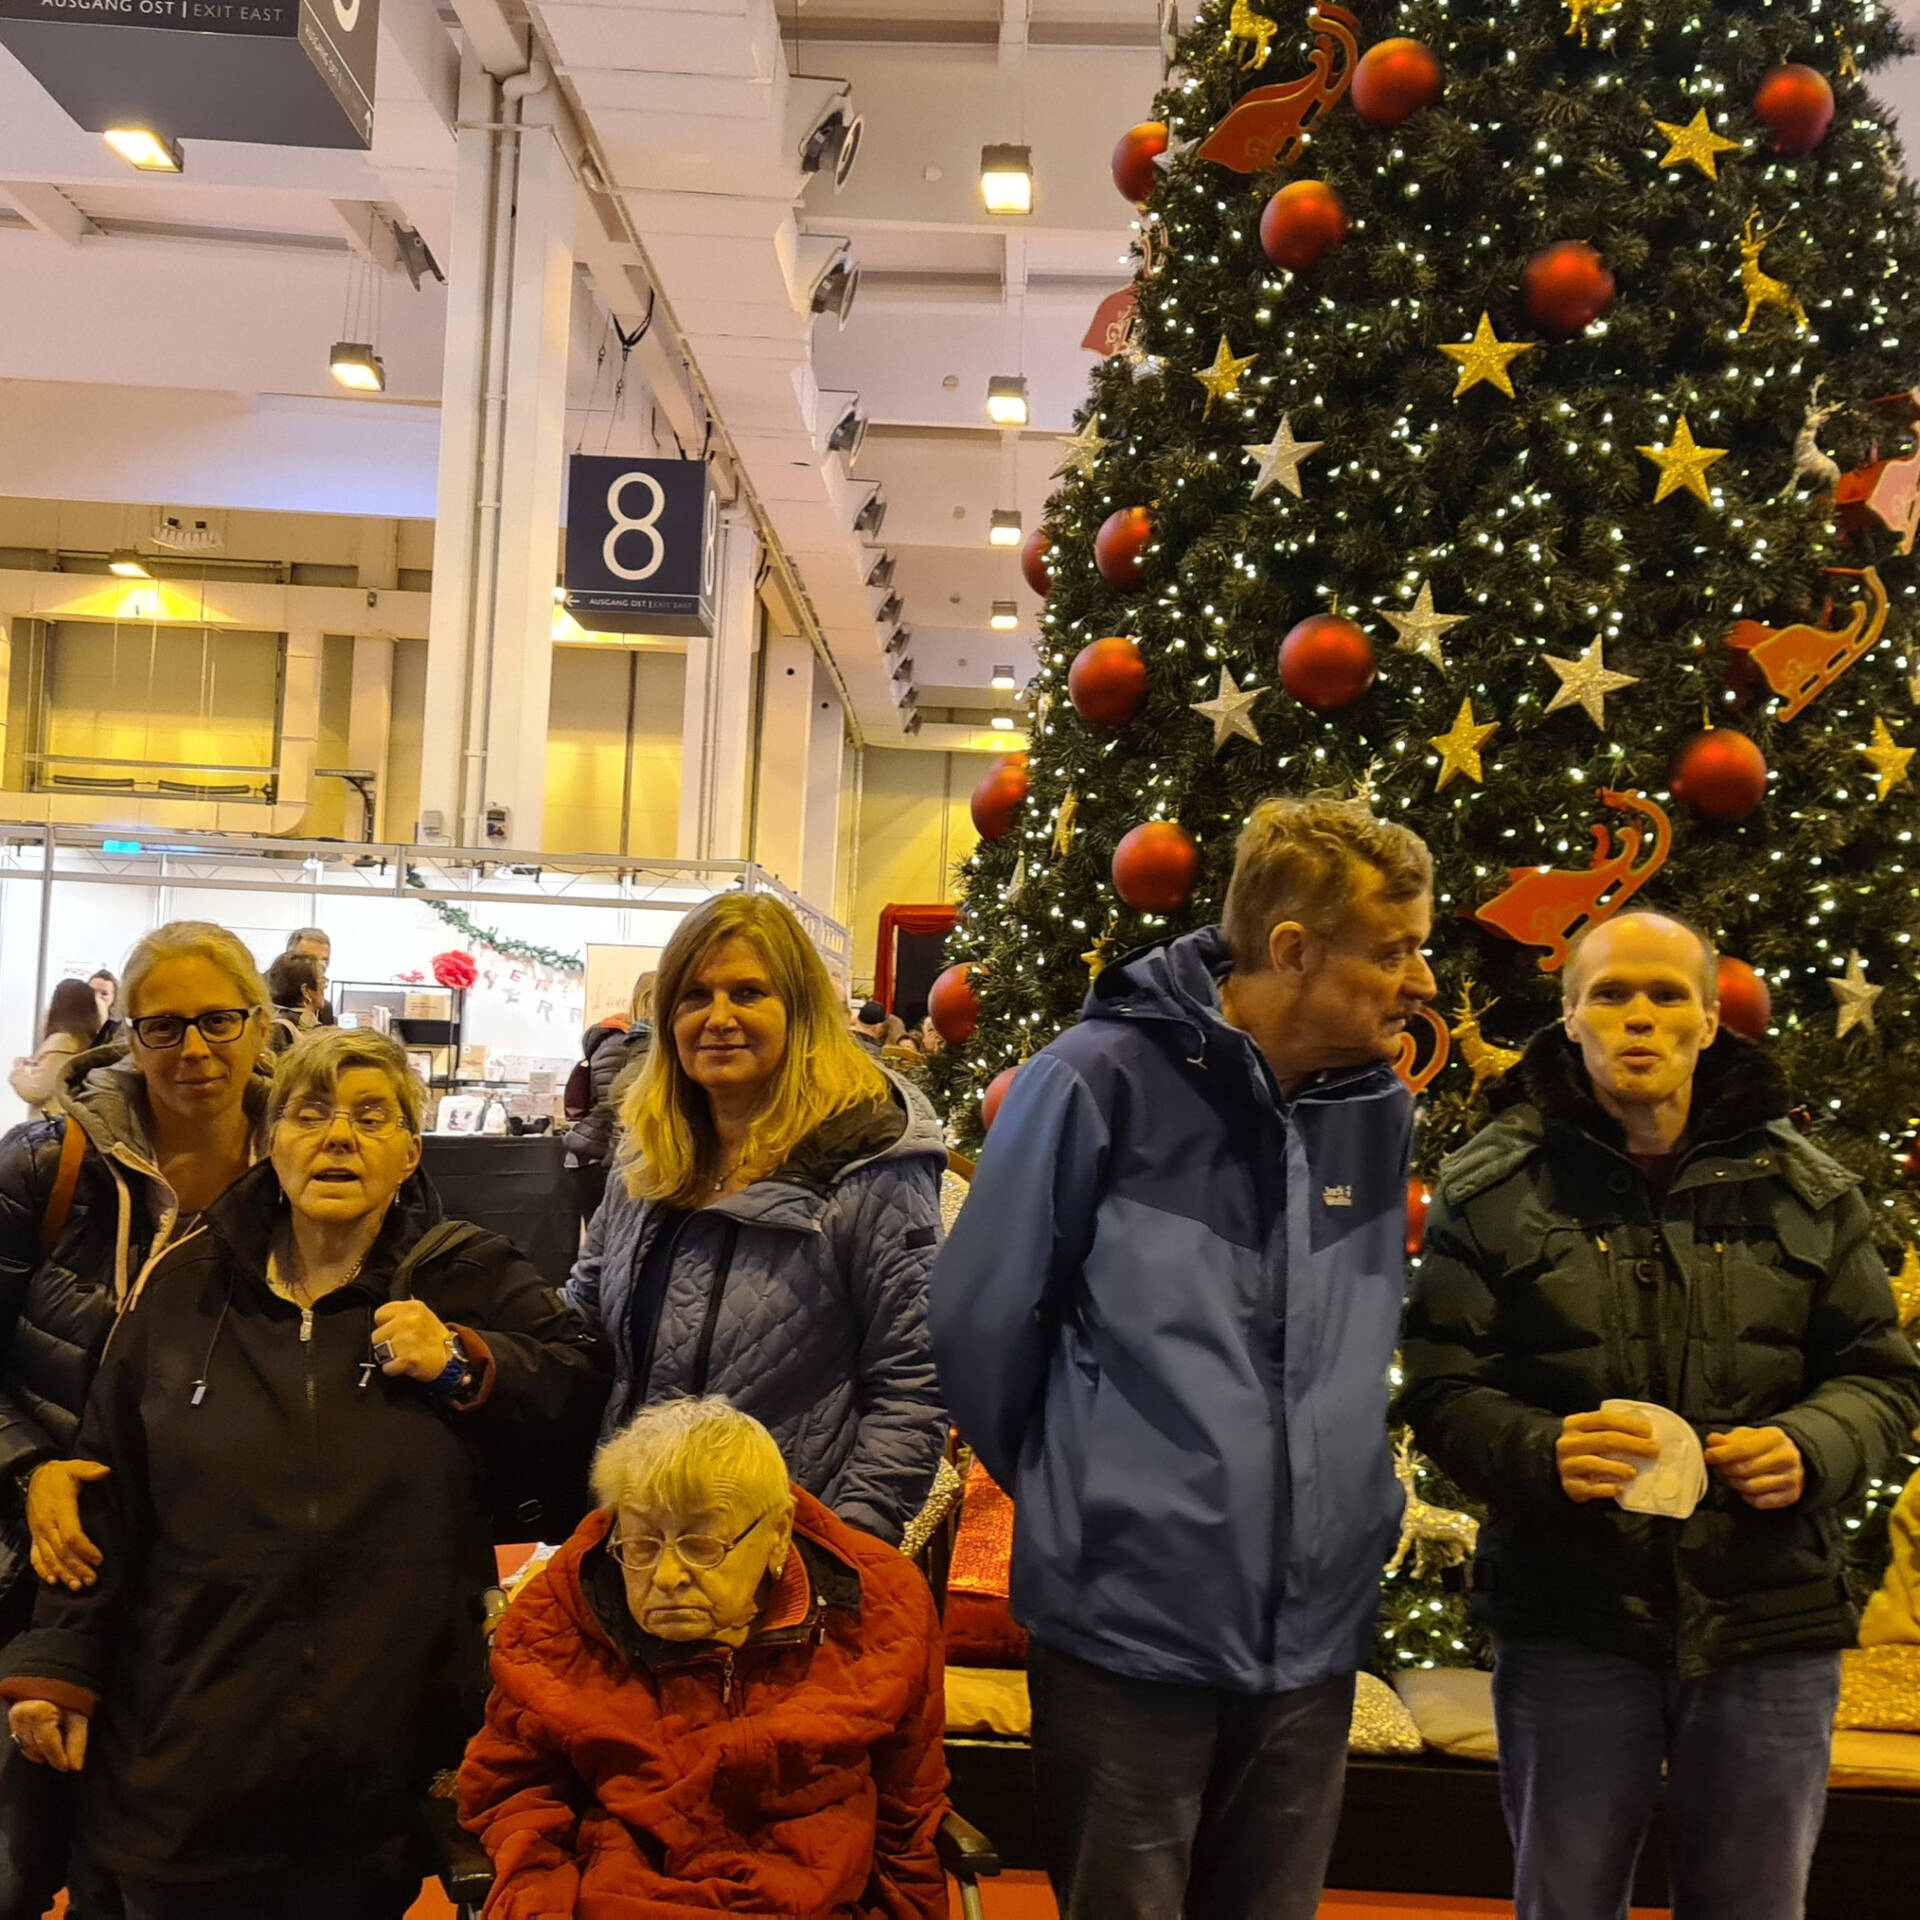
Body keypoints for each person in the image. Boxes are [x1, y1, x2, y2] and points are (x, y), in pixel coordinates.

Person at [932, 793, 1437, 1920]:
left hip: (1311, 1636)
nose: (1423, 983)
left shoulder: (1376, 1107)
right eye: (1395, 951)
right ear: (1295, 950)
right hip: (1129, 1630)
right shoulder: (1093, 1079)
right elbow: (976, 1324)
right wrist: (1093, 1494)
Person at [0, 1027, 608, 1920]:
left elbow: (579, 1393)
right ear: (272, 1142)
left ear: (410, 1150)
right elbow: (108, 1483)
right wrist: (58, 1661)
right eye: (310, 1113)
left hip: (382, 1752)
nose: (338, 1136)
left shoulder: (465, 1272)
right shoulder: (186, 1285)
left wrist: (467, 1360)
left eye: (372, 1117)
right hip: (185, 1740)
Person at [1399, 911, 1920, 1920]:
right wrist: (1543, 1450)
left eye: (1667, 995)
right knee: (1566, 1899)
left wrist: (1811, 1448)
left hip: (1769, 1620)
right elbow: (1440, 1386)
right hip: (1570, 1619)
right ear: (1569, 1016)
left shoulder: (1810, 1191)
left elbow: (1883, 1382)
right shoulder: (1491, 1190)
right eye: (1611, 994)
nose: (1640, 1017)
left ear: (1712, 1020)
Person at [0, 920, 276, 1920]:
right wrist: (33, 1472)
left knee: (165, 1874)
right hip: (48, 1566)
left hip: (217, 1589)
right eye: (166, 1027)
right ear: (129, 1032)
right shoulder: (45, 1165)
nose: (195, 1051)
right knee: (20, 1860)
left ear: (260, 1024)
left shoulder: (312, 1169)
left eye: (219, 1021)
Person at [458, 1396, 948, 1918]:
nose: (667, 1577)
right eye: (643, 1545)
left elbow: (908, 1811)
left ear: (778, 1533)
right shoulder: (553, 1619)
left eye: (700, 1545)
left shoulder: (880, 1606)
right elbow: (513, 1791)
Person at [567, 894, 946, 1549]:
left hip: (789, 1558)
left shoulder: (869, 1163)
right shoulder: (645, 1154)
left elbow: (913, 1383)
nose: (718, 1019)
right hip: (640, 1549)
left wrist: (848, 1547)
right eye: (694, 996)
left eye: (747, 993)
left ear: (798, 1011)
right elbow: (582, 1319)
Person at [561, 973, 655, 1234]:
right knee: (607, 1244)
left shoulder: (624, 1040)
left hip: (595, 1154)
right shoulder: (624, 1043)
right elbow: (617, 1104)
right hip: (598, 1157)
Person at [10, 982, 103, 1118]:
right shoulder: (90, 1041)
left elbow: (35, 1091)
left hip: (51, 1126)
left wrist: (19, 1072)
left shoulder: (61, 1043)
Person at [264, 950, 326, 1054]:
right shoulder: (281, 1030)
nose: (324, 987)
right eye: (322, 982)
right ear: (305, 991)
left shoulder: (270, 1024)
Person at [284, 928, 336, 1025]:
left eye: (325, 960)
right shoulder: (264, 999)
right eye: (311, 959)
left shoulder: (325, 1008)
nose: (321, 965)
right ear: (289, 958)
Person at [85, 973, 119, 1050]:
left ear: (113, 998)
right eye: (91, 991)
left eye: (104, 993)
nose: (96, 997)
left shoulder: (118, 1031)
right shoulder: (72, 1025)